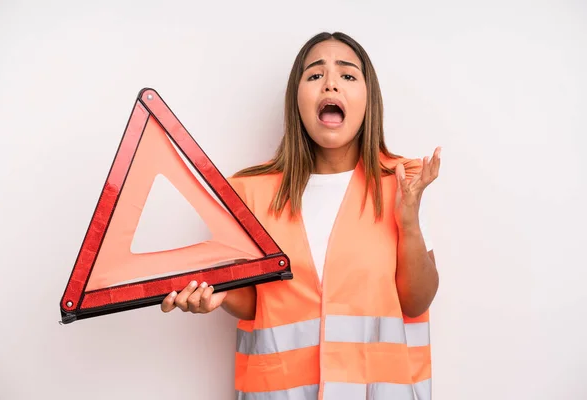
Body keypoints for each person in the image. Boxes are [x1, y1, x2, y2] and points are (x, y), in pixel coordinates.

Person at [161, 31, 440, 400]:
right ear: (297, 100)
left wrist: (409, 221)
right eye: (314, 75)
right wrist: (219, 295)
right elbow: (255, 303)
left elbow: (417, 301)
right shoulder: (249, 192)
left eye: (347, 75)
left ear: (368, 99)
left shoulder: (400, 182)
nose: (330, 84)